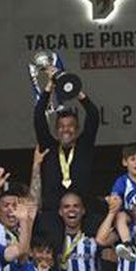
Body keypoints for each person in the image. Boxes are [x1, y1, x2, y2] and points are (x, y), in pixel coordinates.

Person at [33, 81, 99, 214]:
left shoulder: (84, 146)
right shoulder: (49, 148)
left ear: (77, 129)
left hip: (84, 212)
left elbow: (93, 115)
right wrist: (49, 87)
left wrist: (76, 91)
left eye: (70, 126)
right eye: (61, 126)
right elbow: (39, 116)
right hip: (53, 213)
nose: (66, 130)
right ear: (56, 130)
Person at [55, 191, 113, 271]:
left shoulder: (94, 240)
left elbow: (113, 239)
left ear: (83, 211)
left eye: (76, 206)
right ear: (60, 212)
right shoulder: (55, 241)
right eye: (66, 206)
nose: (71, 210)